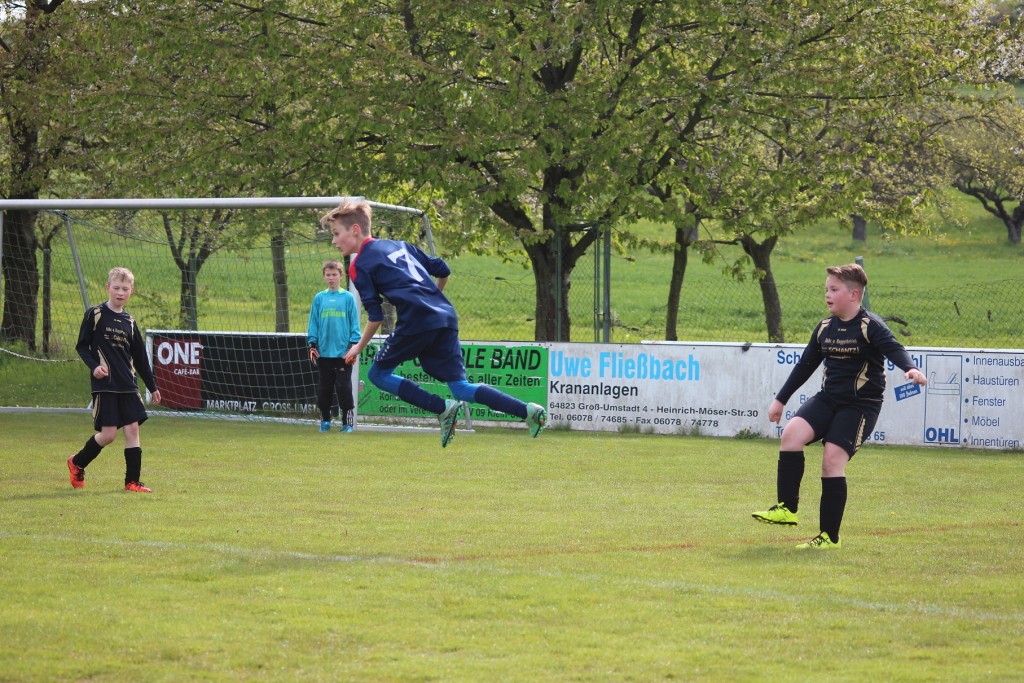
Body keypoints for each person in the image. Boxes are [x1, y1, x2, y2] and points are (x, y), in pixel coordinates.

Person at [319, 199, 546, 447]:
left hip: (417, 319)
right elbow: (443, 269)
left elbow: (376, 316)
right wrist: (435, 298)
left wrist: (358, 347)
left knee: (378, 374)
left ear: (354, 230)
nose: (334, 240)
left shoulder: (359, 265)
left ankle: (442, 408)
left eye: (336, 233)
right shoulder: (401, 245)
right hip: (445, 315)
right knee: (460, 388)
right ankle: (528, 411)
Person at [752, 263, 927, 549]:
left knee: (832, 459)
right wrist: (780, 400)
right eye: (826, 289)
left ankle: (828, 537)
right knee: (791, 434)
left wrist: (910, 369)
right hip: (828, 398)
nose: (827, 295)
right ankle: (786, 508)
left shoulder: (870, 325)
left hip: (860, 406)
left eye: (834, 290)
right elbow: (805, 365)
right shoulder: (824, 328)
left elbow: (895, 348)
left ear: (854, 295)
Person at [67, 267, 162, 492]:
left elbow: (140, 357)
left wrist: (152, 386)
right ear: (108, 288)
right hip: (106, 385)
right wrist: (94, 367)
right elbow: (82, 346)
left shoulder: (129, 322)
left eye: (125, 289)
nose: (120, 292)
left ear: (132, 291)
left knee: (132, 430)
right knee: (108, 435)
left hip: (128, 385)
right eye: (116, 288)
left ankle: (132, 482)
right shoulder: (96, 314)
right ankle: (77, 462)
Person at [308, 259, 362, 432]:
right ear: (324, 277)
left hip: (343, 354)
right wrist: (312, 344)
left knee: (344, 389)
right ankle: (325, 421)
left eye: (334, 275)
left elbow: (355, 323)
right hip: (323, 353)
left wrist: (353, 346)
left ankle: (347, 423)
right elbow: (313, 323)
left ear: (341, 276)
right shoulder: (319, 298)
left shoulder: (347, 298)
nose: (331, 278)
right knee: (324, 388)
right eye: (328, 275)